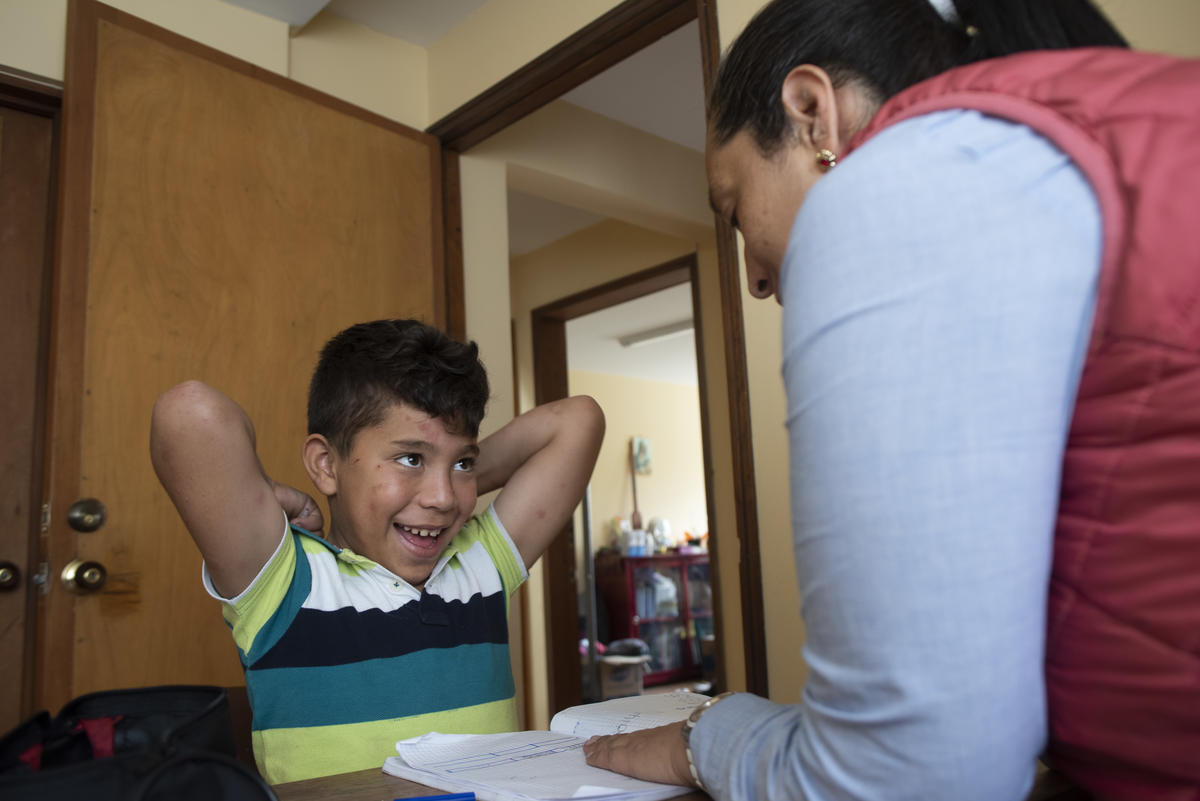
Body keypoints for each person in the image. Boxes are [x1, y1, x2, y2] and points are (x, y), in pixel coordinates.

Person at [583, 1, 1200, 799]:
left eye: (736, 212)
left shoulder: (904, 181)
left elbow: (912, 778)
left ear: (811, 115)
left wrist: (709, 733)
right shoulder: (1095, 134)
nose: (757, 276)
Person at [150, 319, 604, 784]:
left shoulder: (479, 565)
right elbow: (190, 412)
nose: (444, 499)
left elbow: (578, 418)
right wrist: (268, 494)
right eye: (410, 458)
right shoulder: (285, 581)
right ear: (325, 464)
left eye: (464, 463)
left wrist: (434, 477)